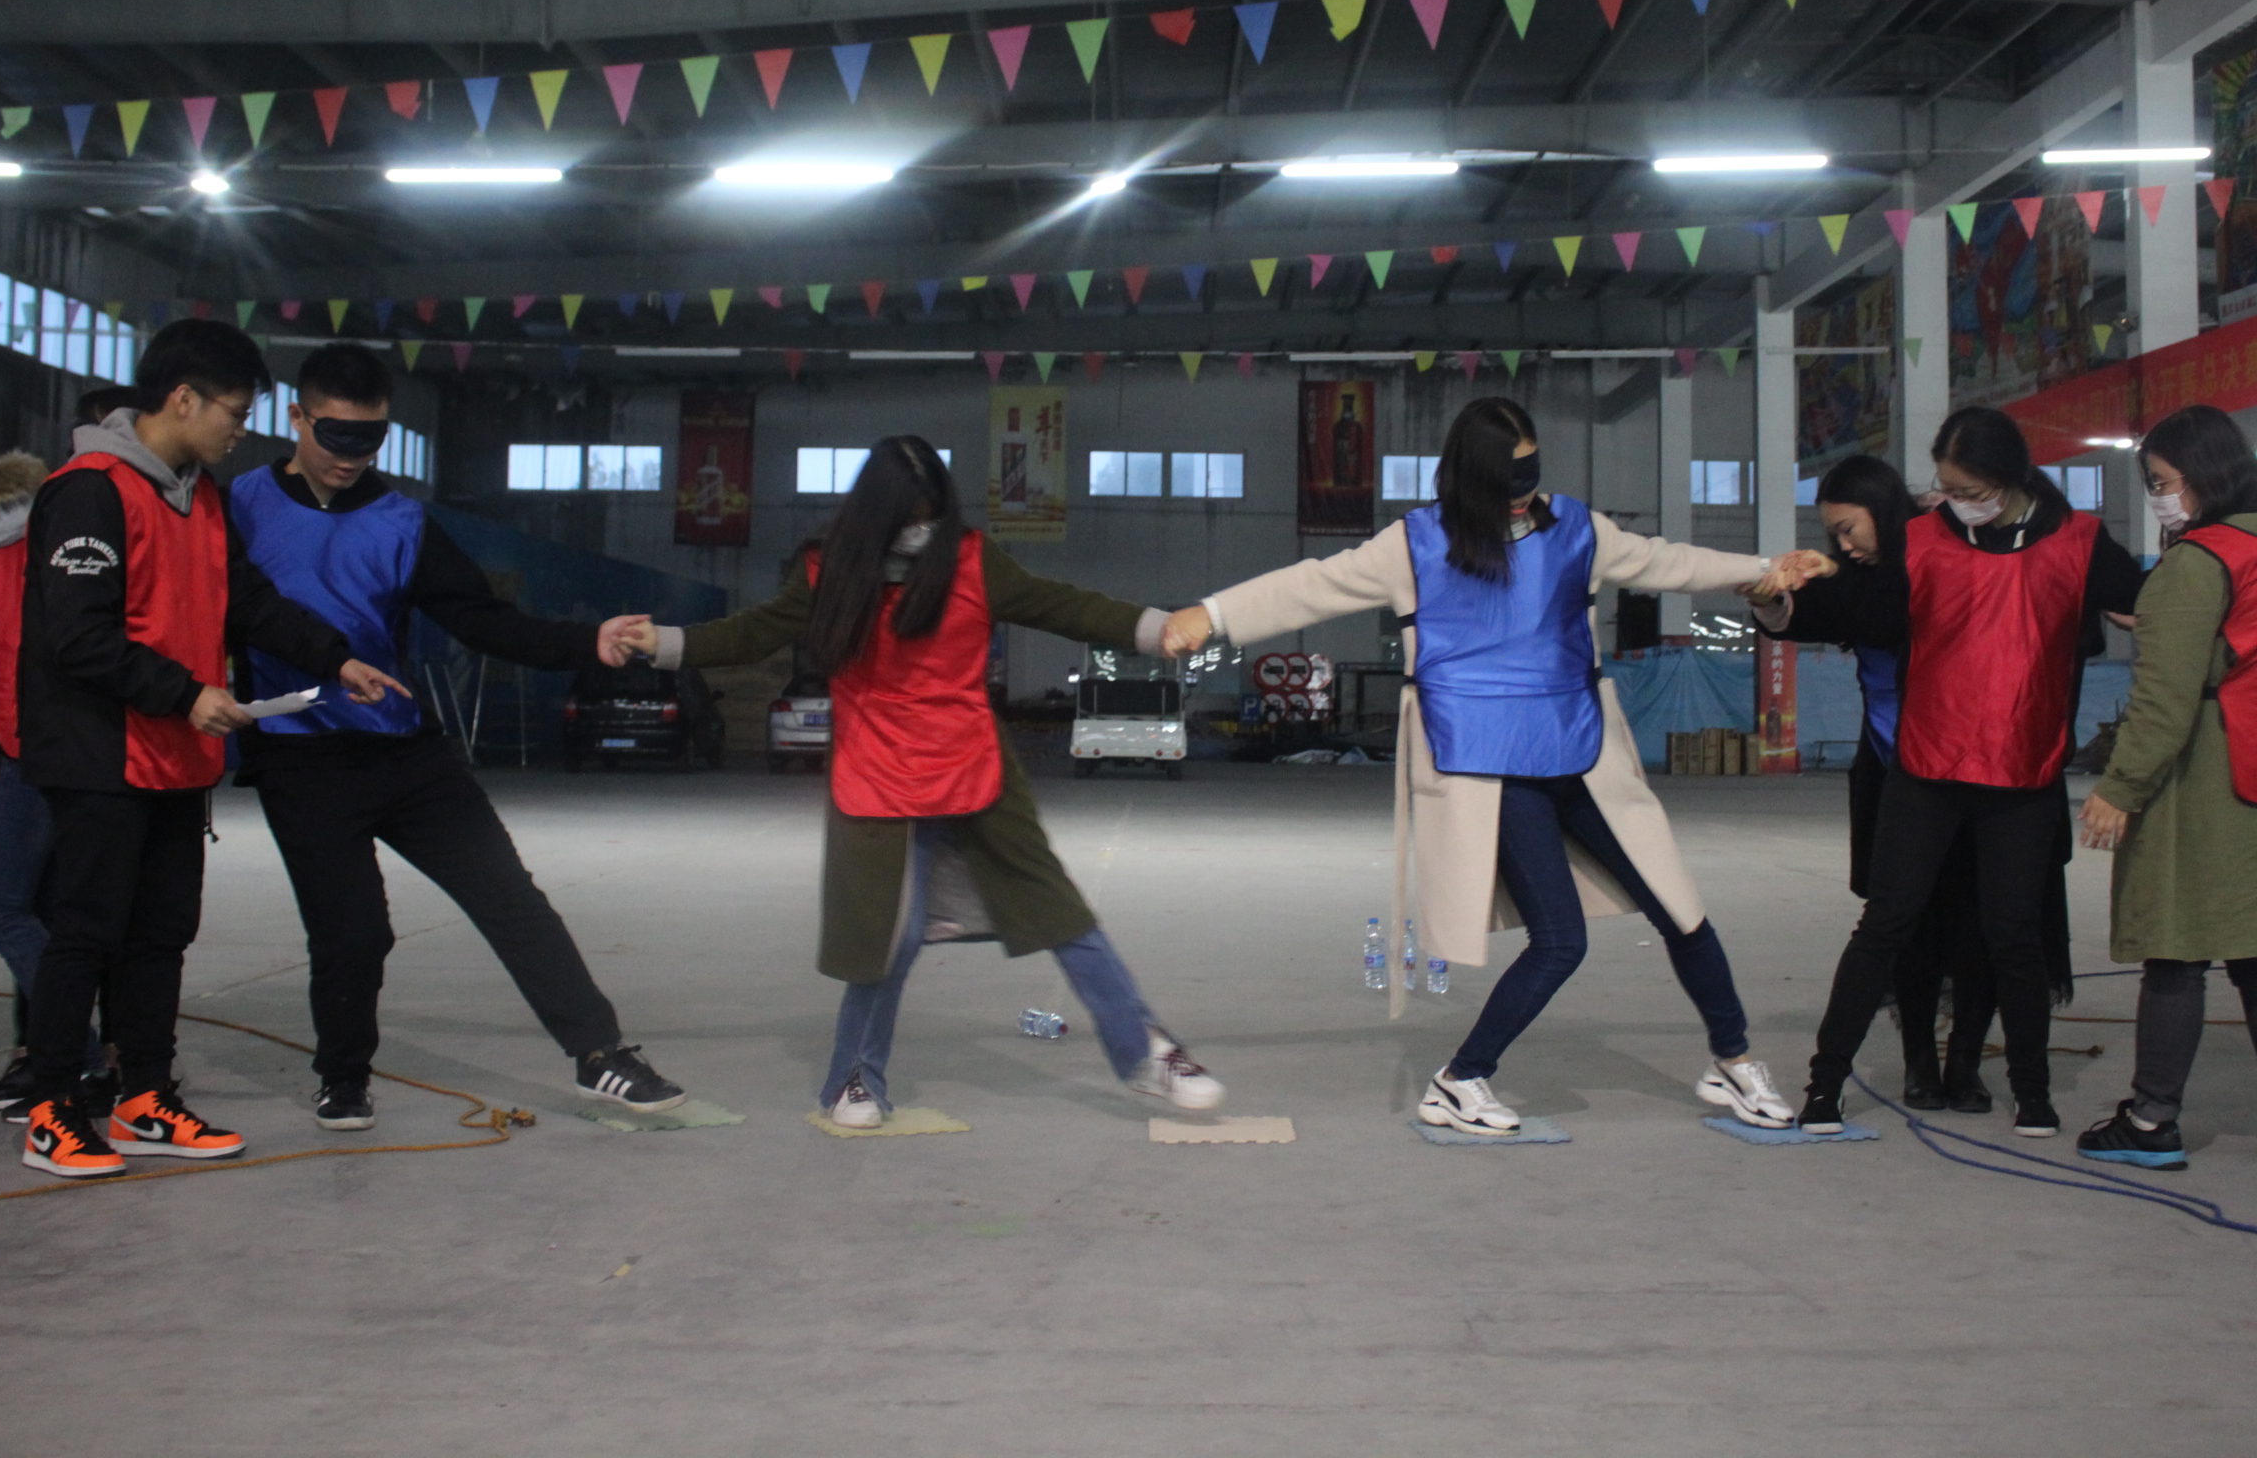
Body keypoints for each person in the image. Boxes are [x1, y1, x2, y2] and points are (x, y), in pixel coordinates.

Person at [1160, 397, 1821, 1136]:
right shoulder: (1415, 545)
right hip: (1488, 769)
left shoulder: (1577, 529)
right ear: (1470, 477)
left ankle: (1733, 1060)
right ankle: (1460, 1080)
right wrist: (1212, 616)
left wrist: (1764, 570)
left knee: (1683, 910)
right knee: (1560, 942)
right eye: (1509, 480)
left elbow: (1667, 561)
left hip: (1581, 753)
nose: (1524, 494)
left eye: (1532, 473)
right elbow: (1312, 584)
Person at [612, 434, 1224, 1128]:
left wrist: (1157, 628)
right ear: (877, 515)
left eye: (933, 516)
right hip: (876, 777)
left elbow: (1061, 604)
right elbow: (751, 633)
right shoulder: (824, 573)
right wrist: (662, 643)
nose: (922, 533)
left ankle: (1147, 1053)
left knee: (1062, 913)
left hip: (975, 769)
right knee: (888, 939)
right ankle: (853, 1078)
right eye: (910, 518)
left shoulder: (972, 560)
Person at [231, 342, 684, 1131]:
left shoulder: (403, 521)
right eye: (336, 436)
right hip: (301, 757)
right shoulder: (237, 507)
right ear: (296, 418)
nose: (352, 456)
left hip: (406, 750)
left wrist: (584, 642)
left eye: (370, 439)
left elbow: (481, 619)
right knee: (352, 933)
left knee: (511, 899)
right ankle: (343, 1076)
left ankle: (600, 1054)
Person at [14, 320, 409, 1179]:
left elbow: (250, 603)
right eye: (234, 411)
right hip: (99, 756)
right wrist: (186, 693)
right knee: (86, 933)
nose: (241, 430)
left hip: (175, 756)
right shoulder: (89, 493)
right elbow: (77, 638)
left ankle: (144, 1096)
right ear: (183, 399)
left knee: (162, 933)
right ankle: (51, 1108)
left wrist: (337, 659)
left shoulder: (200, 497)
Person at [1789, 406, 2145, 1136]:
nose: (1952, 500)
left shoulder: (2078, 542)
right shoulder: (1923, 541)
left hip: (2022, 776)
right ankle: (1824, 1085)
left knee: (2012, 936)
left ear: (2008, 479)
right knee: (1885, 924)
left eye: (1967, 490)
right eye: (1945, 488)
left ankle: (2032, 1092)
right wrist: (1798, 591)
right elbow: (1861, 615)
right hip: (1926, 768)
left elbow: (2150, 602)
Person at [2076, 406, 2257, 1171]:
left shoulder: (2199, 561)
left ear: (2204, 476)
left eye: (2162, 482)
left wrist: (2120, 787)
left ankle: (2152, 1120)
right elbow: (2249, 648)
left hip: (2212, 777)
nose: (2158, 497)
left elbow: (2164, 700)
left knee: (2175, 950)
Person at [1751, 454, 2000, 1113]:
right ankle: (1919, 1059)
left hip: (1972, 767)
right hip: (1893, 769)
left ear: (1883, 513)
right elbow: (1819, 616)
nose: (1844, 544)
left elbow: (1895, 609)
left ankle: (1966, 1062)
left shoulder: (1943, 554)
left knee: (1977, 921)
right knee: (1901, 922)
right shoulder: (1854, 577)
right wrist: (1769, 598)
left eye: (1849, 529)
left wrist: (1837, 573)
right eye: (1833, 534)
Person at [0, 398, 112, 1121]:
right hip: (87, 726)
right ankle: (50, 1058)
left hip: (25, 741)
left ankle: (81, 1057)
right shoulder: (51, 512)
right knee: (47, 905)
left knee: (1, 907)